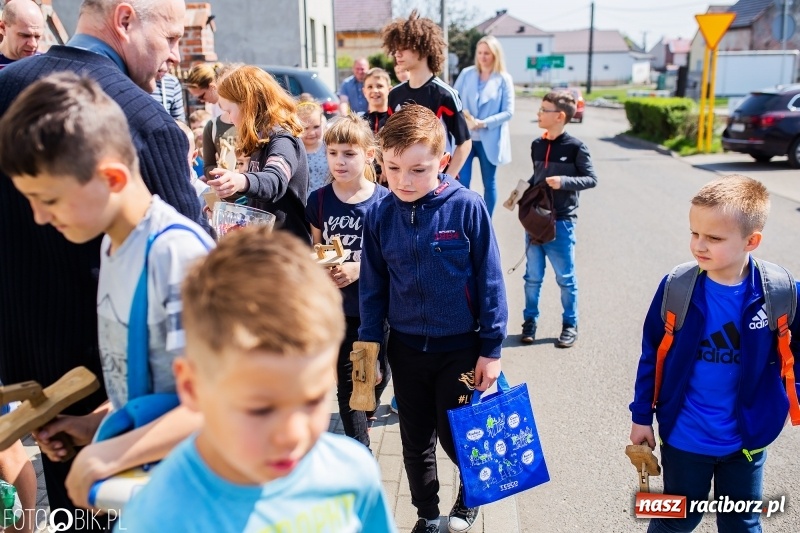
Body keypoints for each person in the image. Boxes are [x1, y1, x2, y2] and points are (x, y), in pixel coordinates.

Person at [0, 0, 202, 523]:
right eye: (173, 38)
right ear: (125, 18)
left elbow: (212, 399)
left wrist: (110, 447)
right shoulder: (113, 243)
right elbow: (143, 388)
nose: (40, 218)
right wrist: (97, 427)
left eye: (51, 200)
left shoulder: (171, 253)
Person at [118, 227, 397, 532]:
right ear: (192, 388)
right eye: (260, 409)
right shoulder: (157, 516)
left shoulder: (352, 474)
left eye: (313, 399)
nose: (292, 434)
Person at [359, 105, 507, 533]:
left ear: (442, 162)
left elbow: (491, 282)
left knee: (456, 435)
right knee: (414, 439)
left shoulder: (467, 207)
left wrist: (492, 349)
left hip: (459, 349)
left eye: (418, 170)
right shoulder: (379, 215)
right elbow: (372, 291)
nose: (404, 181)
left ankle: (471, 492)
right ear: (380, 162)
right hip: (405, 350)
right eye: (393, 168)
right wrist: (369, 358)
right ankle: (426, 514)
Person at [630, 175, 800, 533]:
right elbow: (651, 356)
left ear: (751, 241)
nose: (699, 246)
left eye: (714, 238)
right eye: (694, 233)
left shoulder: (782, 293)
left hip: (747, 442)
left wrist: (784, 405)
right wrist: (641, 415)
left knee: (742, 524)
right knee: (674, 520)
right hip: (684, 438)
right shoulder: (677, 288)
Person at [305, 114, 391, 448]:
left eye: (349, 153)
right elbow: (317, 244)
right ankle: (361, 452)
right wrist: (327, 267)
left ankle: (366, 411)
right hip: (338, 311)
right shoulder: (319, 200)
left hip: (375, 310)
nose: (339, 161)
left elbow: (391, 256)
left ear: (369, 155)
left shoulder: (383, 200)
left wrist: (357, 268)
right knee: (351, 384)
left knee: (376, 375)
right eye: (333, 153)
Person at [521, 90, 597, 347]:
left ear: (560, 116)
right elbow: (536, 178)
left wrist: (564, 181)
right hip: (535, 221)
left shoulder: (576, 147)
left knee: (566, 278)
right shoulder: (537, 145)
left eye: (544, 109)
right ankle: (529, 321)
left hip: (562, 222)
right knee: (532, 277)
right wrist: (521, 192)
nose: (539, 114)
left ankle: (570, 324)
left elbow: (591, 179)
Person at [206, 65, 311, 242]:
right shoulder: (262, 141)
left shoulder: (283, 139)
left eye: (229, 111)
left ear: (248, 105)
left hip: (287, 251)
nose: (230, 119)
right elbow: (260, 201)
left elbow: (274, 181)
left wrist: (241, 180)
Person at [381, 11, 472, 179]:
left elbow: (464, 143)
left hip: (435, 182)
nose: (397, 54)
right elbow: (387, 138)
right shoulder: (394, 94)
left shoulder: (445, 94)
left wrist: (446, 181)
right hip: (403, 181)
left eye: (404, 48)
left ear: (423, 48)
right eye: (395, 49)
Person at [453, 35, 514, 215]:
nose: (483, 56)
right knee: (462, 181)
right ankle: (464, 219)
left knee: (489, 183)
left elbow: (509, 111)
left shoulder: (503, 79)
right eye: (480, 52)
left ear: (495, 55)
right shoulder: (467, 74)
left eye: (487, 53)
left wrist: (484, 123)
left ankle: (486, 221)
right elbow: (454, 99)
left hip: (490, 137)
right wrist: (465, 116)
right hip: (466, 138)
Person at [185, 62, 240, 180]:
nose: (201, 101)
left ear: (212, 87)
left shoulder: (228, 109)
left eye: (201, 96)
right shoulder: (215, 111)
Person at [0, 0, 42, 71]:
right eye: (25, 35)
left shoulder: (45, 66)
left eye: (37, 36)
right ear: (3, 28)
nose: (33, 44)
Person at [297, 101, 328, 194]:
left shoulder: (328, 148)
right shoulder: (295, 150)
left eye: (316, 127)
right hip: (302, 204)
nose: (311, 133)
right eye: (306, 128)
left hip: (324, 201)